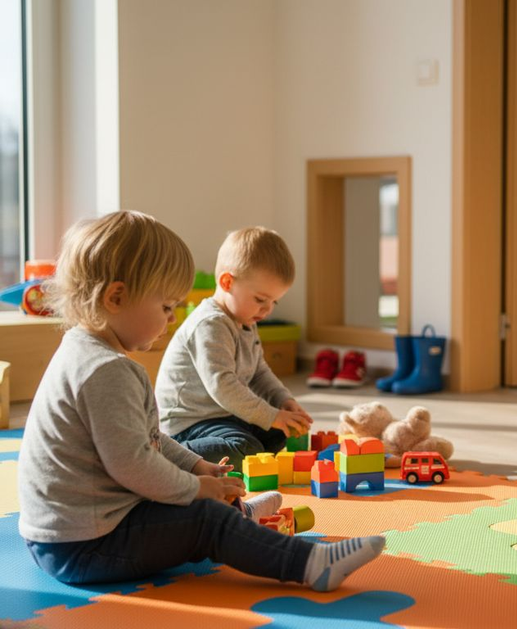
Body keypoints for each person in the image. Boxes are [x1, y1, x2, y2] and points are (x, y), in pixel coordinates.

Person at [19, 211, 384, 590]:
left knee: (202, 494)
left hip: (74, 532)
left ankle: (237, 516)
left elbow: (150, 442)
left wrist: (196, 467)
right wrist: (196, 489)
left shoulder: (87, 351)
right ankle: (310, 564)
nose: (172, 319)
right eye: (165, 308)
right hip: (83, 545)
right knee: (206, 523)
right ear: (116, 297)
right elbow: (133, 464)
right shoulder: (106, 371)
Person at [157, 227, 313, 469]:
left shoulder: (246, 320)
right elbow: (223, 386)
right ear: (227, 282)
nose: (267, 310)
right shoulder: (210, 324)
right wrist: (271, 415)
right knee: (246, 447)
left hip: (225, 416)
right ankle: (165, 455)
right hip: (189, 424)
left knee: (281, 432)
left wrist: (282, 401)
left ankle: (247, 444)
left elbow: (259, 372)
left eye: (274, 301)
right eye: (261, 299)